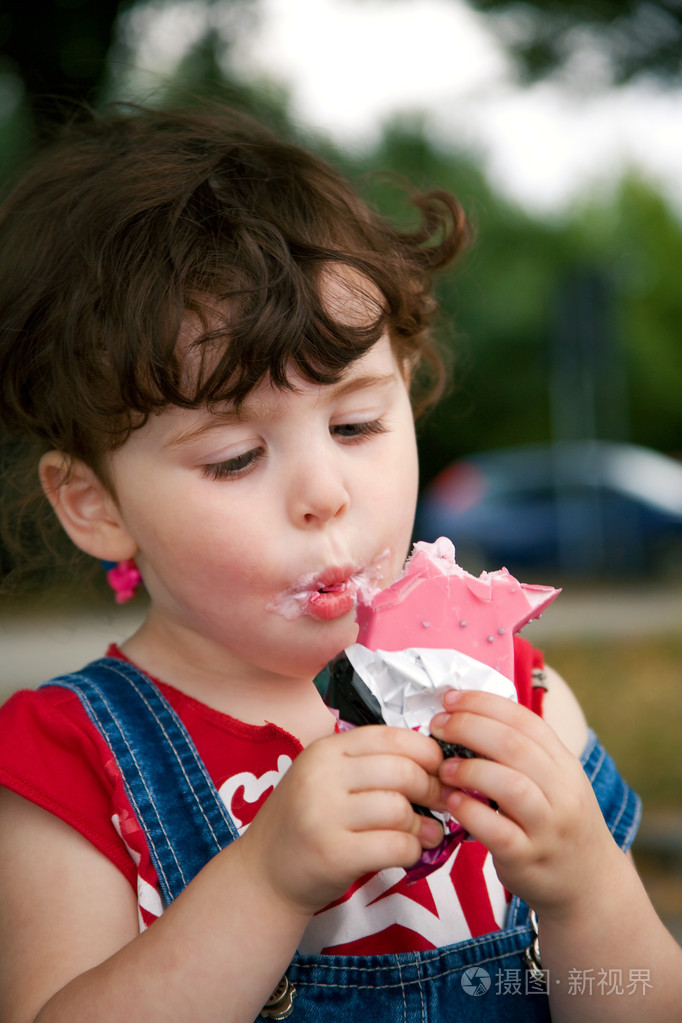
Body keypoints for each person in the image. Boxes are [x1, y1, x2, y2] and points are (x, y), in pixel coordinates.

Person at [0, 102, 677, 1023]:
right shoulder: (70, 764)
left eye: (356, 424)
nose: (324, 493)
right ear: (96, 504)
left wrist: (588, 891)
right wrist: (265, 883)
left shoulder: (522, 700)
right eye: (235, 456)